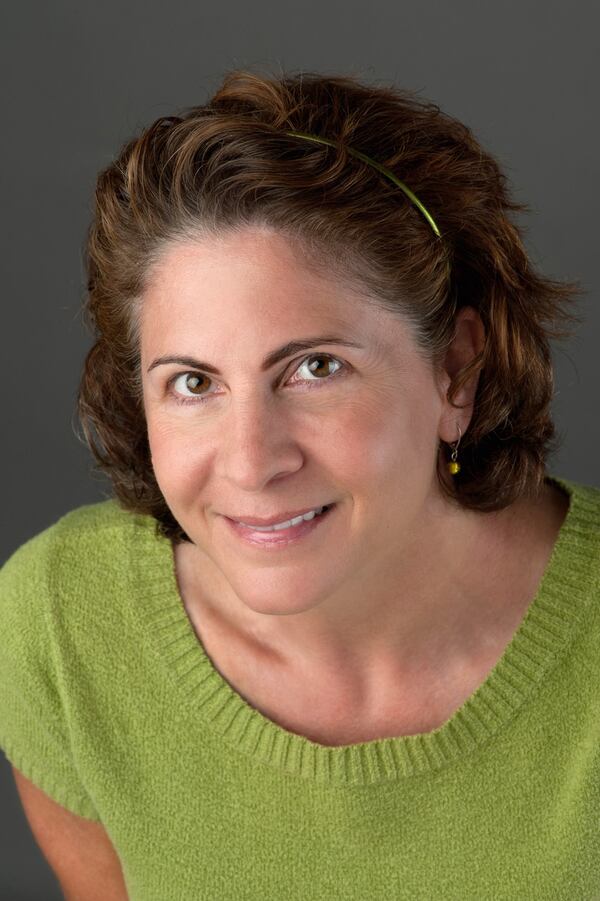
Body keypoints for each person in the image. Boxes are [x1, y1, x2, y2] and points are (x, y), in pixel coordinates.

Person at [1, 69, 599, 900]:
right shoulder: (63, 625)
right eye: (193, 383)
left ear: (455, 371)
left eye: (316, 368)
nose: (251, 462)